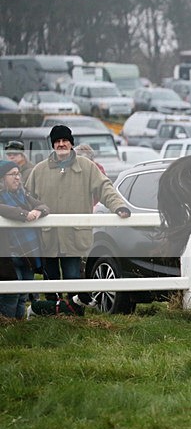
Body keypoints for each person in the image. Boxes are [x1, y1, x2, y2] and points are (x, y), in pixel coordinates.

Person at [25, 125, 130, 309]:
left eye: (65, 140)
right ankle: (52, 313)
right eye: (57, 141)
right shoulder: (39, 170)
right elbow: (26, 198)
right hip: (48, 236)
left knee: (73, 277)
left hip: (75, 235)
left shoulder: (87, 167)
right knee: (50, 281)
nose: (61, 144)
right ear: (52, 145)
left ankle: (75, 313)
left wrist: (118, 206)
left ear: (71, 143)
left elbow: (105, 188)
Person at [0, 159, 49, 319]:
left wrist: (38, 212)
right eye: (12, 174)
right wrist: (24, 214)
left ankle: (19, 328)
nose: (17, 178)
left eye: (18, 174)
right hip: (9, 256)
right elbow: (4, 209)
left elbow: (44, 206)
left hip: (28, 255)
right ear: (2, 178)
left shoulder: (24, 196)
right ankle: (8, 326)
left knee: (23, 294)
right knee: (11, 294)